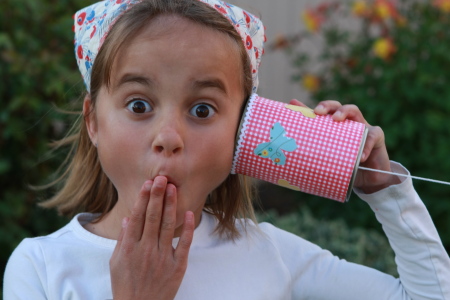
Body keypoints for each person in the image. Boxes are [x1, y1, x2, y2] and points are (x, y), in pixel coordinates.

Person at [3, 0, 450, 299]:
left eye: (202, 109)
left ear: (243, 131)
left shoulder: (270, 252)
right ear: (93, 121)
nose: (169, 136)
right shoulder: (41, 268)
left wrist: (387, 191)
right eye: (139, 104)